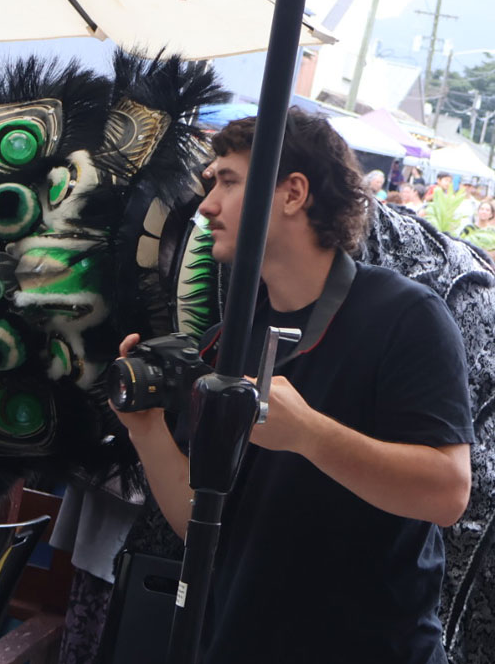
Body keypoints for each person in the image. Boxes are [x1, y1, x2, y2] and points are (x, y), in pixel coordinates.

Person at [115, 110, 472, 663]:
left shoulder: (407, 316)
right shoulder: (230, 338)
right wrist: (145, 430)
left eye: (228, 182)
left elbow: (447, 493)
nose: (206, 205)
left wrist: (308, 434)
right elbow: (200, 521)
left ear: (293, 193)